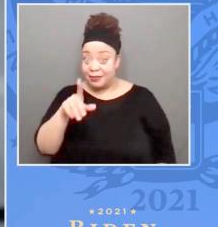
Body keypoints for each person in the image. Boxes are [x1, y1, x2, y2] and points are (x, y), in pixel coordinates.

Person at [34, 12, 176, 164]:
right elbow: (45, 149)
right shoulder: (68, 95)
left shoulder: (143, 98)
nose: (93, 67)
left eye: (103, 59)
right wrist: (63, 114)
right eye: (86, 59)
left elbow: (166, 157)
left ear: (116, 62)